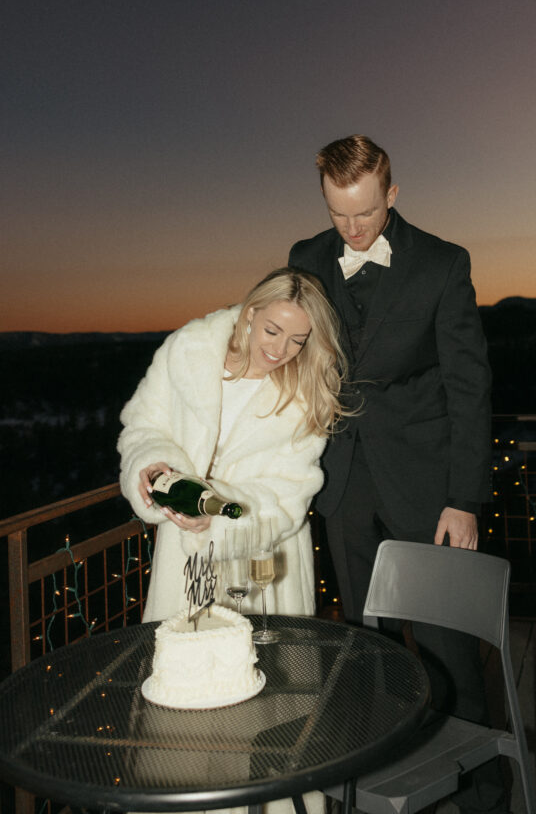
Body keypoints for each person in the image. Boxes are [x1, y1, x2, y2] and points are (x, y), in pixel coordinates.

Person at [289, 135, 510, 814]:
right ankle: (381, 778)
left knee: (445, 644)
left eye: (364, 212)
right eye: (338, 215)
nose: (353, 231)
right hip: (344, 480)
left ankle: (480, 791)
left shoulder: (443, 264)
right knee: (363, 641)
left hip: (426, 480)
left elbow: (469, 386)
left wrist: (464, 498)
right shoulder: (304, 260)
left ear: (391, 191)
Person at [118, 267, 346, 624]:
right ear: (251, 313)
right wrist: (152, 461)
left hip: (264, 564)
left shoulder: (306, 392)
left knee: (265, 671)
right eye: (272, 330)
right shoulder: (188, 352)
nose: (280, 349)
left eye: (298, 340)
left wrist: (217, 517)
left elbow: (291, 493)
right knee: (184, 667)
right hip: (184, 558)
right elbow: (144, 425)